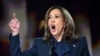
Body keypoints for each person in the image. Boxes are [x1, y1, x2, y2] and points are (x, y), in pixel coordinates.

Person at [9, 6, 90, 56]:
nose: (52, 20)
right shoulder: (39, 44)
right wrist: (15, 32)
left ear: (65, 23)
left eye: (56, 17)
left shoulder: (80, 42)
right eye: (49, 17)